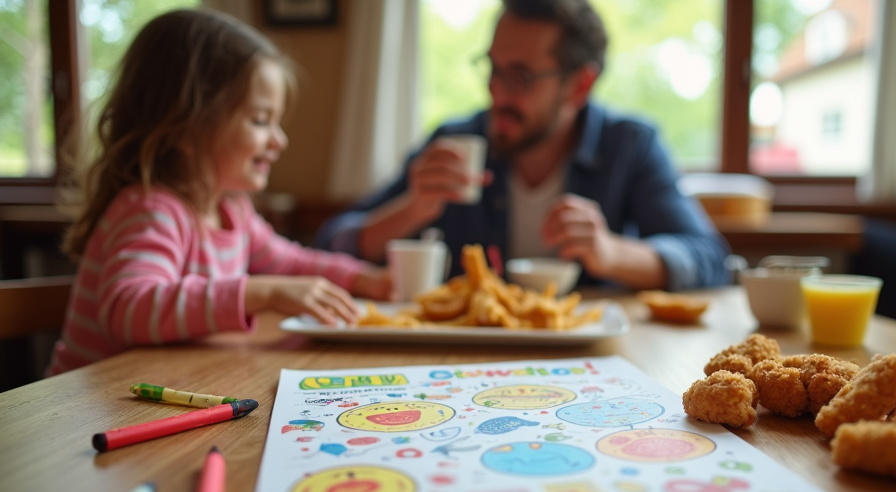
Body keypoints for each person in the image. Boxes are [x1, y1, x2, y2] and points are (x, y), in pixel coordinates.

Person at [47, 9, 390, 376]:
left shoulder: (233, 210)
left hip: (157, 389)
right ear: (187, 127)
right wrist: (263, 293)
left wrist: (363, 278)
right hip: (90, 402)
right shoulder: (150, 208)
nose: (279, 140)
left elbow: (292, 263)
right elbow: (129, 309)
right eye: (260, 121)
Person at [315, 0, 730, 291]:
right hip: (467, 354)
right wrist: (411, 210)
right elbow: (329, 243)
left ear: (579, 85)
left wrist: (611, 252)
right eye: (493, 69)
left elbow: (710, 257)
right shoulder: (456, 141)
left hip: (588, 357)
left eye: (520, 77)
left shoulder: (629, 145)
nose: (497, 92)